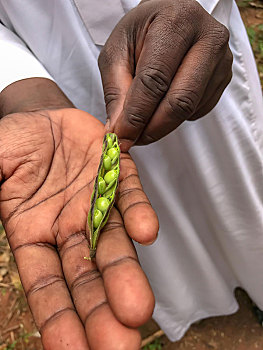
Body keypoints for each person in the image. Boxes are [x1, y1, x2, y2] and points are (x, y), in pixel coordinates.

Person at [0, 0, 262, 349]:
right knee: (141, 219)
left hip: (188, 40)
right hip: (54, 73)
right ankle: (199, 299)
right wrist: (19, 82)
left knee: (234, 192)